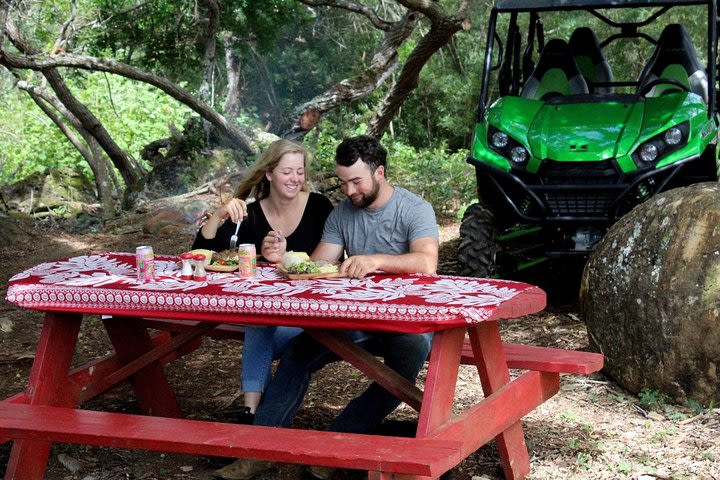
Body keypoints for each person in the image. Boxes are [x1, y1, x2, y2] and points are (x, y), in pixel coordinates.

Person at [213, 135, 439, 480]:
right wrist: (287, 258)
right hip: (357, 319)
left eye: (356, 181)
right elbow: (320, 265)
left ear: (379, 172)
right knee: (298, 354)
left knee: (395, 381)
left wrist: (375, 260)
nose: (348, 191)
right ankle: (258, 452)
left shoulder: (414, 208)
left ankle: (334, 450)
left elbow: (426, 262)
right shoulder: (342, 214)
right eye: (344, 182)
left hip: (409, 322)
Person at [192, 138, 333, 425]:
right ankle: (252, 414)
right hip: (273, 318)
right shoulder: (252, 214)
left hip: (314, 316)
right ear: (269, 173)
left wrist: (282, 259)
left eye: (300, 171)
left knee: (259, 326)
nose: (295, 178)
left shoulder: (319, 206)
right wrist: (219, 213)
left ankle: (253, 415)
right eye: (286, 172)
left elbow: (330, 261)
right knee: (259, 322)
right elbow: (203, 252)